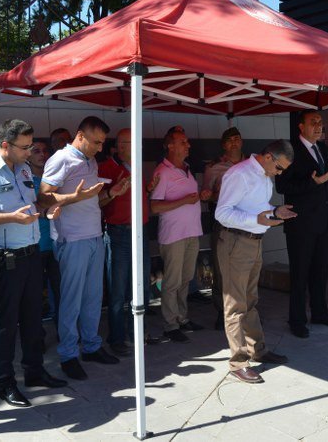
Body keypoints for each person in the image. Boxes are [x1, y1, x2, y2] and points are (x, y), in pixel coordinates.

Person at [0, 119, 68, 407]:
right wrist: (11, 218)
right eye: (24, 147)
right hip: (6, 259)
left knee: (34, 319)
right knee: (6, 324)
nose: (29, 152)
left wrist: (48, 212)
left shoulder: (23, 169)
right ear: (5, 145)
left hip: (32, 254)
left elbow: (32, 206)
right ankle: (6, 382)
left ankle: (34, 371)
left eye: (31, 145)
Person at [38, 116, 127, 379]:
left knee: (92, 298)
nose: (100, 148)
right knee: (71, 301)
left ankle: (91, 346)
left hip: (94, 236)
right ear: (80, 136)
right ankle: (68, 354)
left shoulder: (89, 160)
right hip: (72, 239)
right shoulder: (60, 159)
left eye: (102, 143)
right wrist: (73, 197)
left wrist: (112, 193)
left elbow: (91, 202)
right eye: (96, 142)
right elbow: (43, 198)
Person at [215, 140, 297, 383]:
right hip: (236, 242)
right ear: (269, 156)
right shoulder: (239, 174)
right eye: (279, 168)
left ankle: (257, 349)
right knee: (235, 304)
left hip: (254, 240)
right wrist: (260, 218)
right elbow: (222, 213)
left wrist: (275, 211)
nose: (279, 173)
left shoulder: (263, 174)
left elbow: (258, 208)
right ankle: (238, 363)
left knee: (250, 300)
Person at [275, 110, 328, 338]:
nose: (319, 126)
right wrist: (312, 182)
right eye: (313, 122)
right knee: (300, 274)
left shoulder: (323, 149)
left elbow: (326, 186)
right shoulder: (291, 150)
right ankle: (296, 319)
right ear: (301, 126)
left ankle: (320, 312)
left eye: (320, 122)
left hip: (323, 222)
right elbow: (282, 186)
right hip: (301, 224)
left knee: (321, 271)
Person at [99, 128, 161, 355]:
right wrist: (113, 192)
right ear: (121, 146)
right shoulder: (105, 168)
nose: (138, 147)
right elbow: (98, 202)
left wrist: (148, 189)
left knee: (141, 286)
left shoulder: (136, 166)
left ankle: (139, 333)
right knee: (118, 289)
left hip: (141, 231)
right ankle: (116, 338)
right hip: (118, 234)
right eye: (132, 143)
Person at [150, 128, 211, 343]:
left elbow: (190, 199)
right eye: (183, 142)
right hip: (173, 235)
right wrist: (185, 201)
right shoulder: (162, 172)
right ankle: (170, 325)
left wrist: (200, 196)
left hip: (191, 232)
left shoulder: (186, 169)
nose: (188, 145)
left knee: (185, 280)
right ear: (170, 146)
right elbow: (155, 207)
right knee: (172, 282)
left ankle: (182, 318)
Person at [202, 126, 246, 330]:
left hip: (248, 223)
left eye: (237, 139)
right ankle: (222, 312)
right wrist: (217, 194)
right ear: (223, 145)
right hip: (224, 224)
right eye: (230, 140)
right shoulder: (214, 168)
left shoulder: (251, 165)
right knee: (221, 269)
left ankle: (247, 312)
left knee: (246, 270)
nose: (234, 143)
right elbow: (206, 196)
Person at [29, 141, 60, 324]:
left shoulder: (55, 180)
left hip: (57, 243)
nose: (42, 154)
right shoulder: (24, 180)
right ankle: (37, 336)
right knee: (35, 294)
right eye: (37, 151)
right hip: (36, 245)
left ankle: (62, 331)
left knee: (59, 290)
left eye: (45, 150)